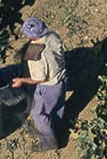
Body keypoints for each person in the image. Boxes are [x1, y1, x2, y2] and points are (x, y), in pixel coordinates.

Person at [11, 18, 66, 151]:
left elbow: (39, 79)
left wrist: (21, 80)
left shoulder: (35, 55)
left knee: (38, 113)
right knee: (58, 104)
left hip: (48, 86)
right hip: (62, 78)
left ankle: (49, 142)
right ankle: (58, 124)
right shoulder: (53, 36)